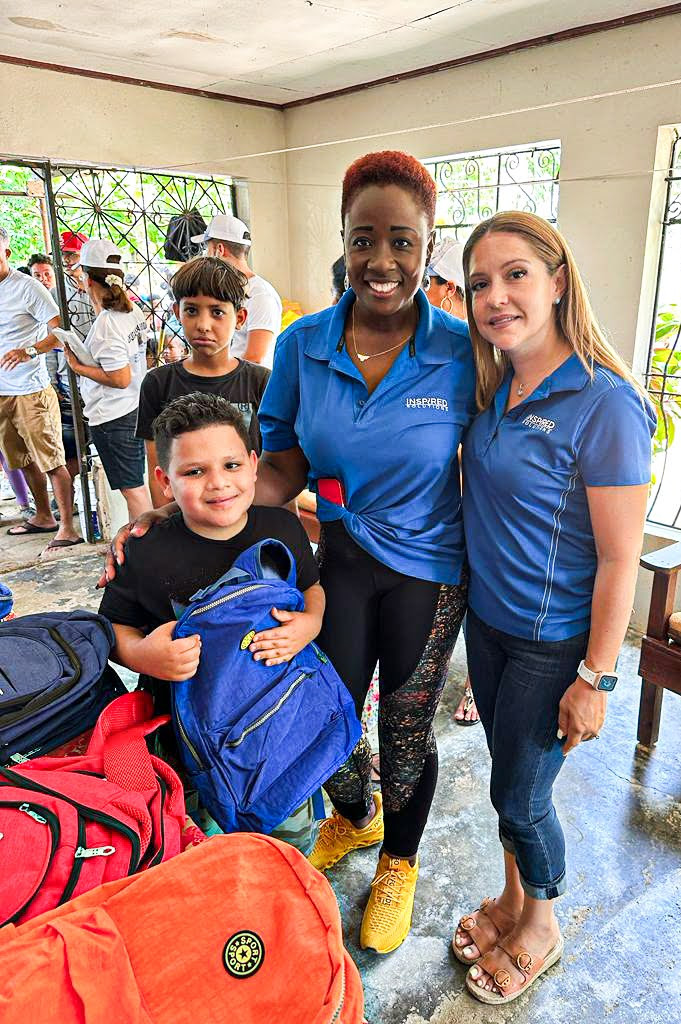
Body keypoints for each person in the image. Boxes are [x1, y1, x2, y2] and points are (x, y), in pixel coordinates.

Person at [104, 151, 476, 954]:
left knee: (407, 725)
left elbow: (499, 456)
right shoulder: (306, 345)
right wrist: (167, 518)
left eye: (403, 242)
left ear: (427, 245)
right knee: (321, 708)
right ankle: (356, 813)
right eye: (365, 238)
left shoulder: (460, 349)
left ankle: (400, 864)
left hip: (429, 571)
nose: (382, 262)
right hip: (338, 558)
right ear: (343, 239)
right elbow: (277, 467)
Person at [452, 211, 655, 1005]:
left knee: (522, 797)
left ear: (558, 281)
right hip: (490, 625)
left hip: (552, 642)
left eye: (515, 275)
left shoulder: (605, 404)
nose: (496, 297)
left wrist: (596, 679)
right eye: (479, 284)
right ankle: (508, 901)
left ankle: (541, 922)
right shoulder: (496, 384)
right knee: (507, 776)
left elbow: (618, 557)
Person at [98, 392, 324, 725]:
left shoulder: (284, 527)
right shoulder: (144, 549)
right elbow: (114, 627)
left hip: (283, 705)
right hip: (191, 728)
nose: (218, 483)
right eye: (194, 472)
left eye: (231, 465)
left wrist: (311, 623)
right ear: (164, 481)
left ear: (252, 464)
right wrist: (141, 656)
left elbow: (311, 587)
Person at [136, 257, 270, 508]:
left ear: (240, 318)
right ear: (177, 312)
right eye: (192, 310)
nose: (203, 325)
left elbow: (274, 464)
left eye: (217, 312)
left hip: (251, 517)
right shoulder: (158, 383)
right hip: (186, 518)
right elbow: (157, 467)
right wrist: (165, 524)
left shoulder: (260, 382)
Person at [424, 236, 478, 725]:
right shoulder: (427, 349)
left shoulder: (485, 355)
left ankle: (475, 688)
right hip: (434, 518)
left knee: (477, 610)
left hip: (474, 512)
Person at [0, 225, 80, 549]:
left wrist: (29, 350)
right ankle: (43, 516)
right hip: (2, 393)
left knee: (51, 460)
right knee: (21, 460)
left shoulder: (28, 288)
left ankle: (69, 528)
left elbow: (58, 332)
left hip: (31, 390)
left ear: (5, 253)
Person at [61, 239, 152, 521]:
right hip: (134, 406)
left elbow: (120, 377)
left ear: (87, 279)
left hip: (115, 415)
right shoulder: (131, 311)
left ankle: (146, 552)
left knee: (132, 489)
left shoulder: (107, 324)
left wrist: (78, 366)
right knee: (139, 485)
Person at [192, 214, 282, 367]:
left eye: (208, 249)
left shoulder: (260, 295)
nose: (206, 256)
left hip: (247, 387)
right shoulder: (229, 289)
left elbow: (255, 357)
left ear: (218, 250)